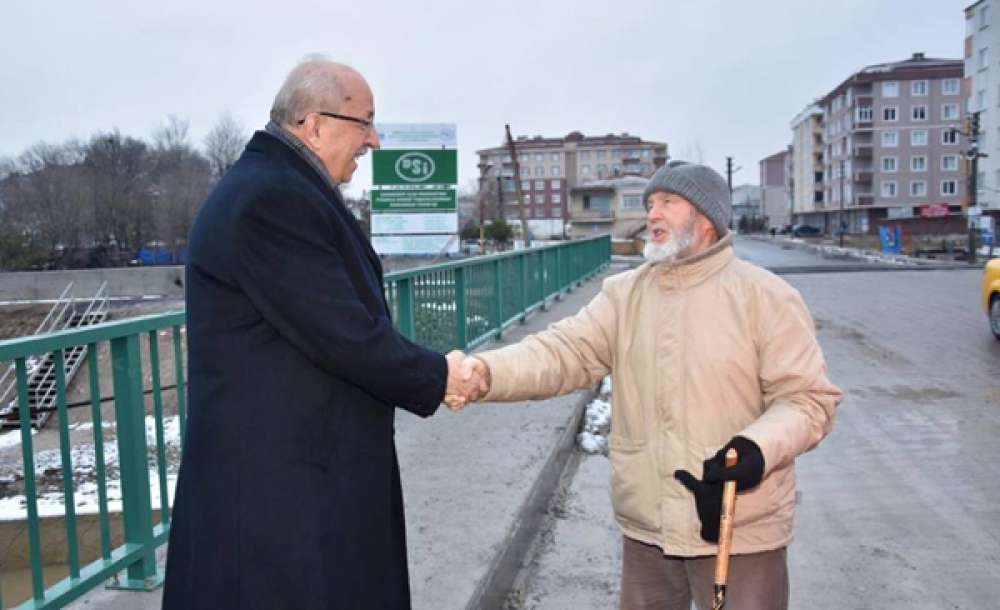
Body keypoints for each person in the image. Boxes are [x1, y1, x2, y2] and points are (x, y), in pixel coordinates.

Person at [450, 161, 843, 610]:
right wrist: (487, 373)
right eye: (650, 203)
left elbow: (808, 400)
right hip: (648, 526)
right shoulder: (625, 294)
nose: (652, 214)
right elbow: (563, 351)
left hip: (738, 527)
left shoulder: (767, 297)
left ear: (707, 218)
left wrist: (754, 450)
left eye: (668, 203)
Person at [163, 57, 481, 609]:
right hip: (281, 495)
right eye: (365, 122)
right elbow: (345, 334)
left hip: (297, 477)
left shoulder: (278, 185)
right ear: (314, 124)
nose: (374, 140)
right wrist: (440, 377)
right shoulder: (272, 200)